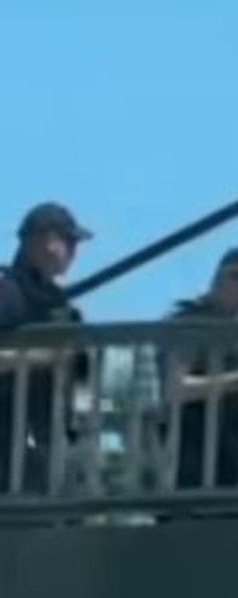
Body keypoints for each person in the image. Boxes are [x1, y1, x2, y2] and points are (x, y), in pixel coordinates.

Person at [160, 247, 238, 490]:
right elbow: (175, 388)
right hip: (194, 453)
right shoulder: (191, 321)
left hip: (236, 453)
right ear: (228, 279)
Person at [0, 202, 92, 494]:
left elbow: (81, 379)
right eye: (70, 241)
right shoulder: (10, 293)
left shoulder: (57, 304)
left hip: (44, 438)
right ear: (47, 242)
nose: (73, 252)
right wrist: (47, 357)